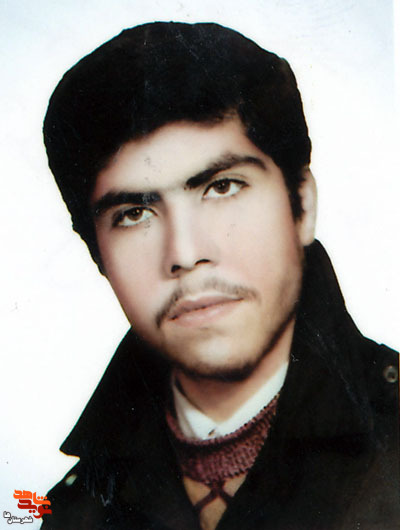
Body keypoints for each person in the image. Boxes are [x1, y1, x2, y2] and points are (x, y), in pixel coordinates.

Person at [40, 22, 399, 530]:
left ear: (302, 205)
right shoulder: (71, 509)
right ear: (98, 254)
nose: (186, 254)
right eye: (134, 214)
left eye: (222, 187)